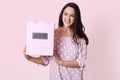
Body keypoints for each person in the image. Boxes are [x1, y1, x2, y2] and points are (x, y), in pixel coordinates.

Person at [23, 2, 89, 80]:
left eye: (72, 16)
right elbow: (46, 60)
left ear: (76, 18)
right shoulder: (52, 34)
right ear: (62, 14)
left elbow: (81, 62)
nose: (68, 18)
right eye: (66, 14)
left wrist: (60, 61)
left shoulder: (80, 38)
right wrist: (29, 58)